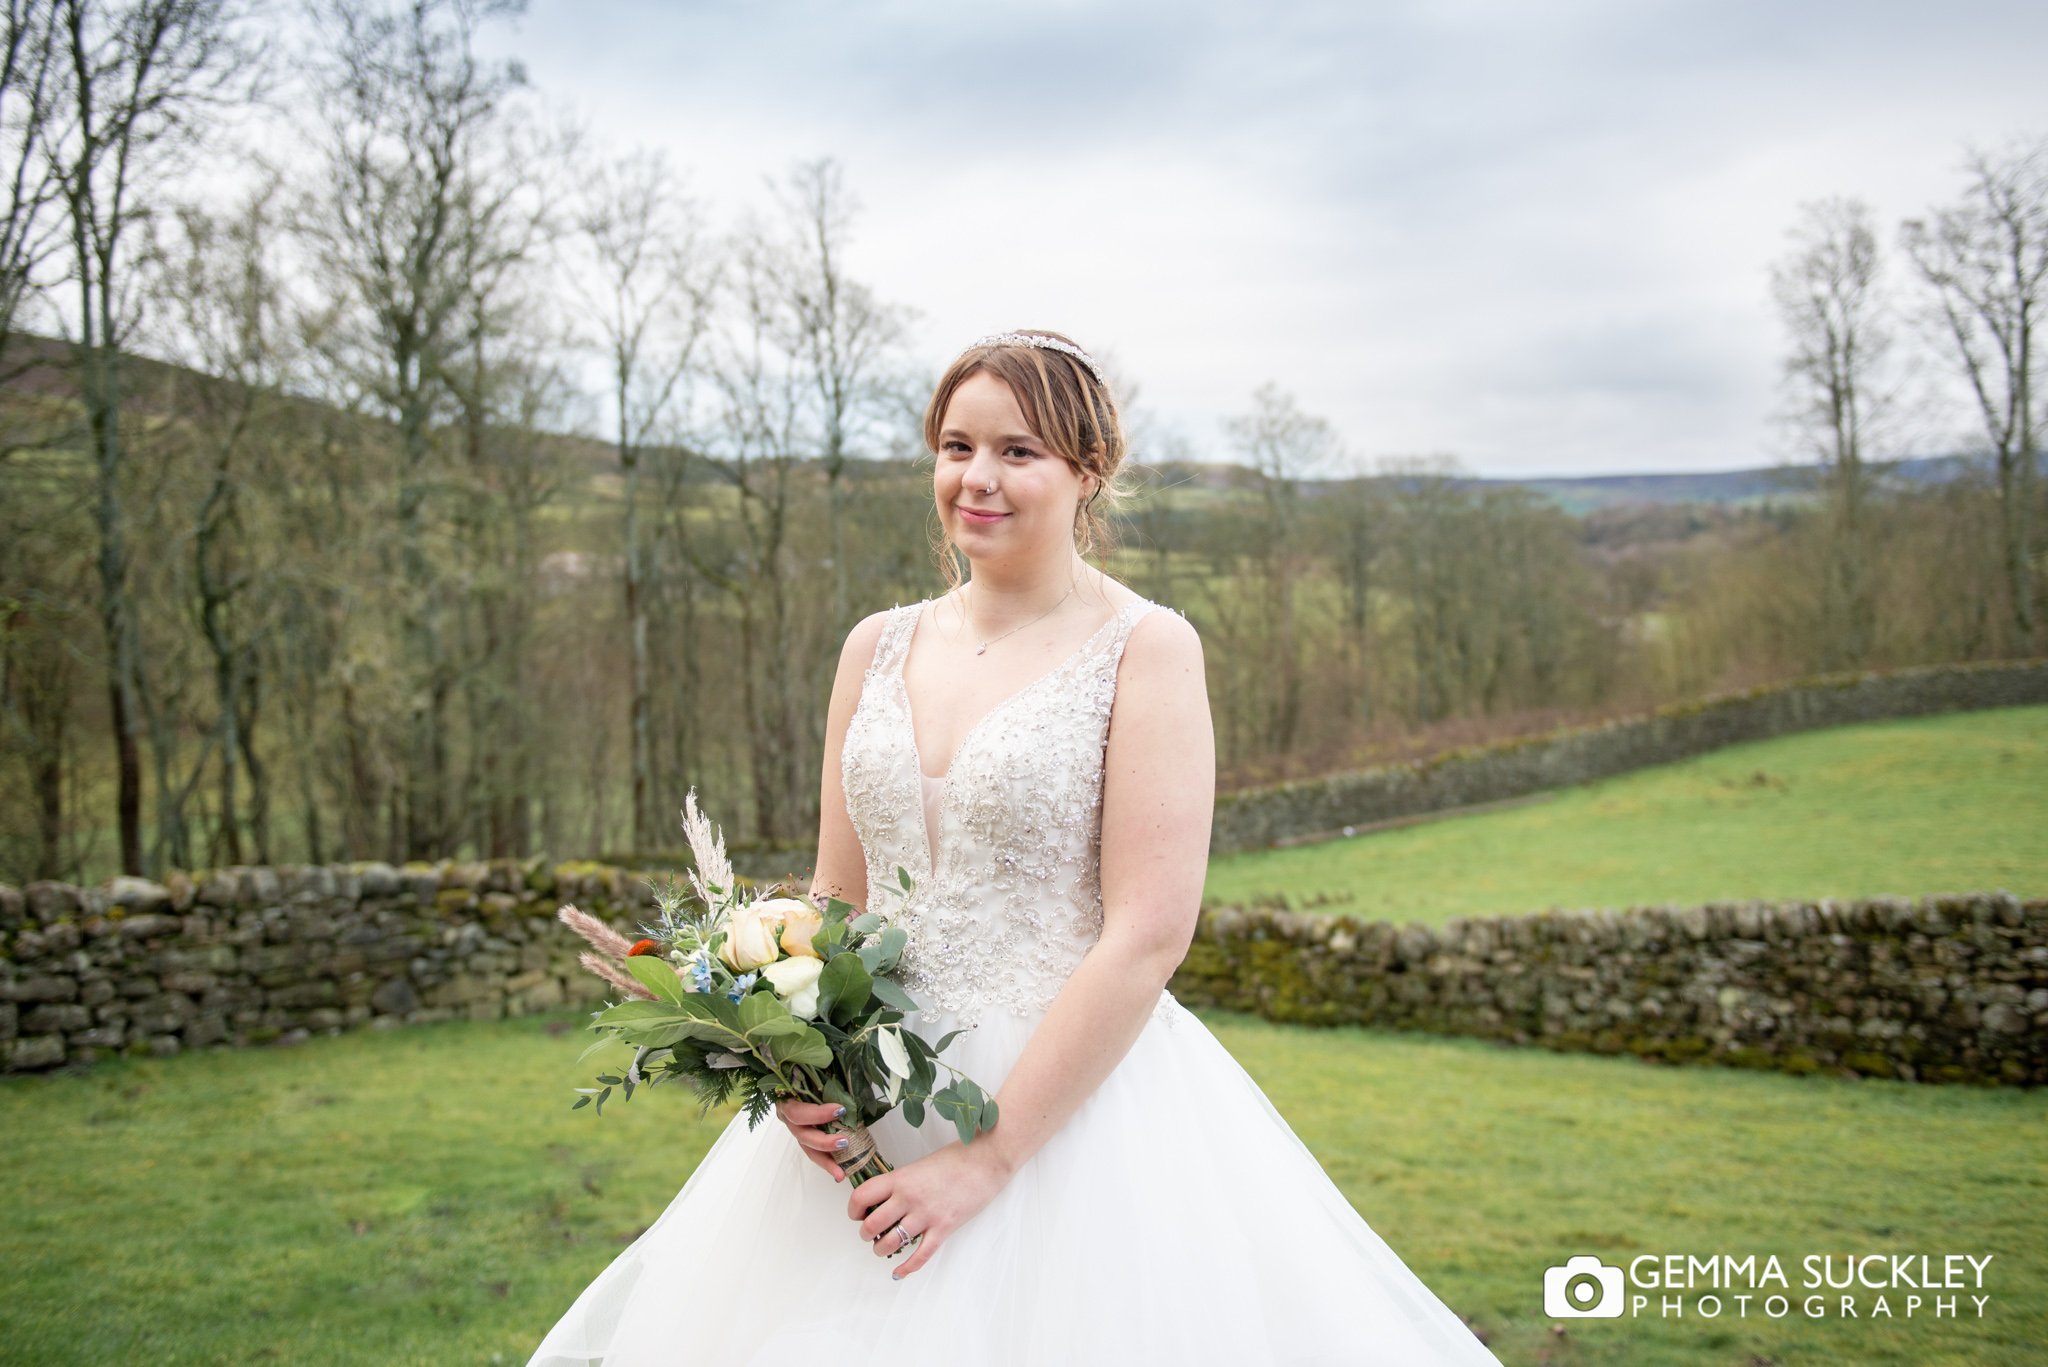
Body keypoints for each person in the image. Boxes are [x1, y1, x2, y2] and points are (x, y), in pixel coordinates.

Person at [527, 331, 1504, 1365]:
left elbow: (1147, 932)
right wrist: (789, 1063)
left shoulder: (1146, 647)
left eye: (1018, 451)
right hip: (871, 1089)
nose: (976, 478)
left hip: (1061, 1113)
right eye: (955, 446)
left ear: (1088, 471)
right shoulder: (875, 644)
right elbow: (832, 897)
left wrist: (985, 1161)